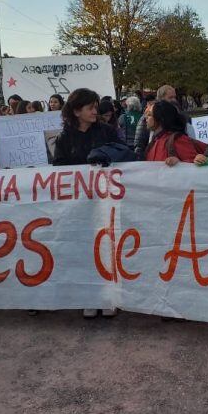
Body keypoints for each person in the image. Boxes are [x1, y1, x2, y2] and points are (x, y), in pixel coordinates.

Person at [52, 89, 120, 318]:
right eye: (90, 107)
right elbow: (59, 169)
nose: (95, 111)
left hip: (106, 201)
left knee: (107, 248)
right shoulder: (64, 137)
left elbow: (122, 155)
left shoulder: (107, 131)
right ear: (76, 111)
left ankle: (109, 297)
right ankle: (88, 297)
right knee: (83, 249)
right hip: (79, 204)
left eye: (96, 106)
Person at [145, 101, 206, 165]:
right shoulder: (154, 141)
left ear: (160, 118)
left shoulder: (177, 140)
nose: (146, 117)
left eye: (149, 115)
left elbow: (194, 165)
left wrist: (179, 163)